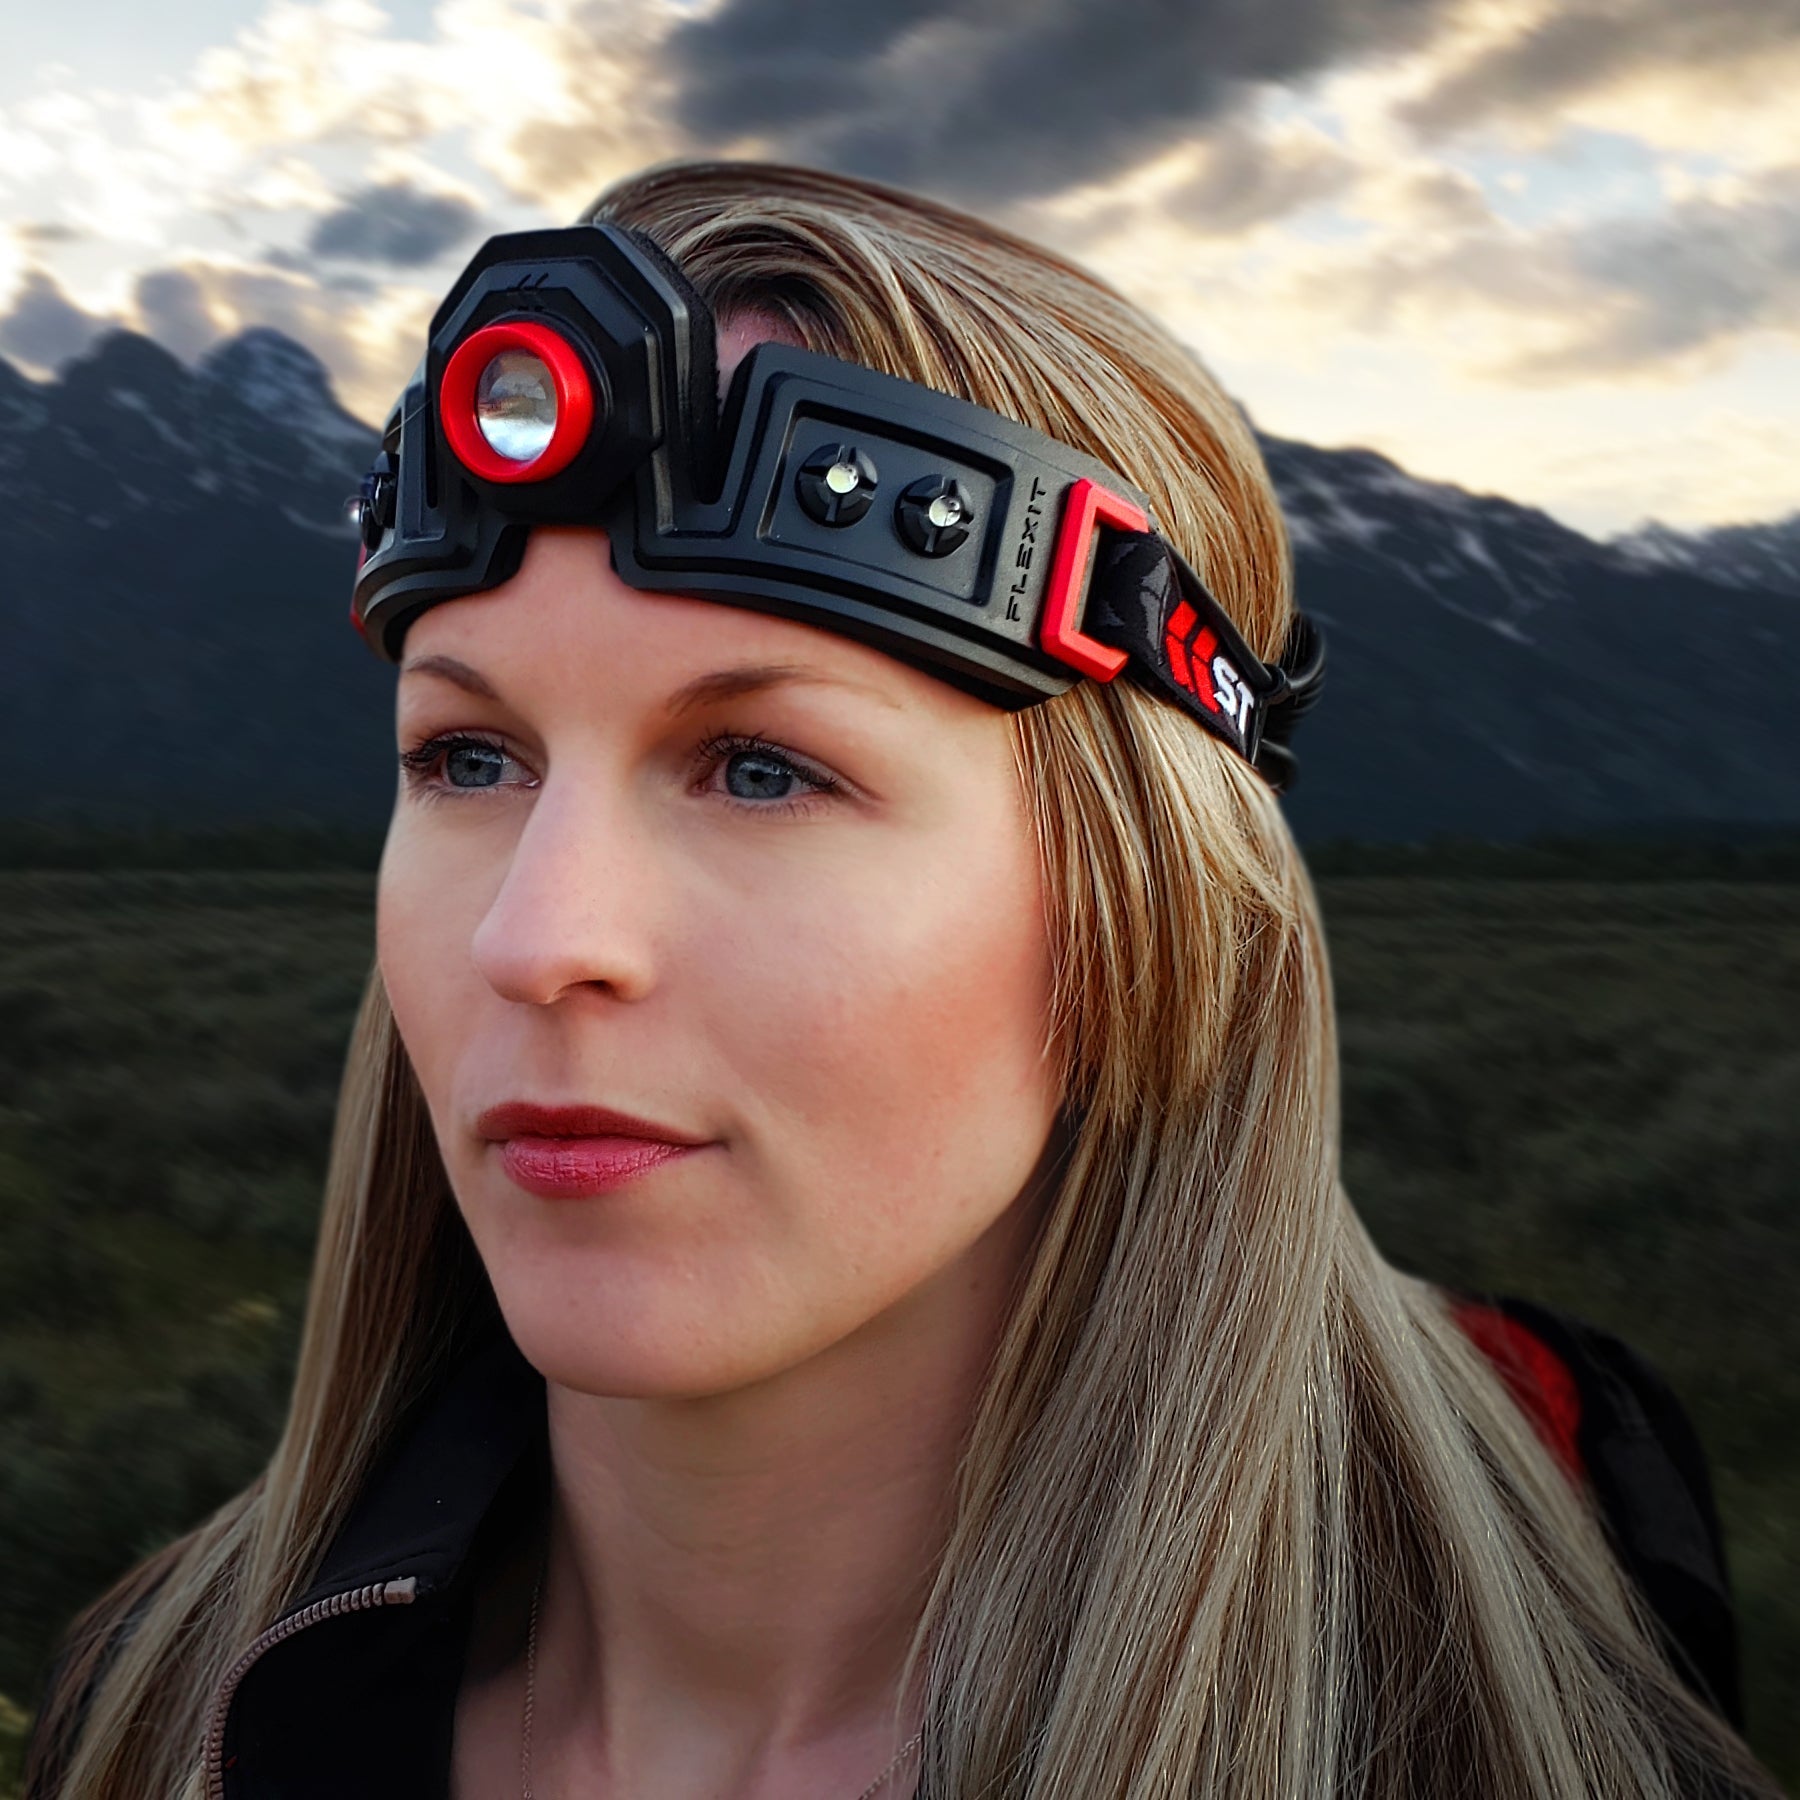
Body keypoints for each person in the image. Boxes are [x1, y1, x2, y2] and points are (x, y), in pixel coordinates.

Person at [22, 159, 1782, 1800]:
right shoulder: (165, 1712)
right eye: (467, 759)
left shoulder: (1521, 1703)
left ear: (1146, 903)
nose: (536, 940)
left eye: (762, 769)